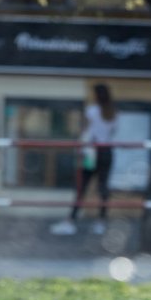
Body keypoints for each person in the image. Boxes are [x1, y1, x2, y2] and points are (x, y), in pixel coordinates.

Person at [50, 83, 117, 237]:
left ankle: (70, 221)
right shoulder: (113, 112)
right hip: (107, 151)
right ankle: (101, 222)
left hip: (91, 151)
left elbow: (85, 131)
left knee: (82, 187)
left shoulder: (92, 111)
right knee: (103, 188)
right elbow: (112, 132)